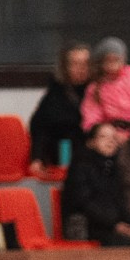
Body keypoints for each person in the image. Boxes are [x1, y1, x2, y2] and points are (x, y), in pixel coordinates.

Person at [64, 121, 130, 244]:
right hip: (86, 223)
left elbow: (123, 198)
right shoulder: (80, 165)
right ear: (91, 142)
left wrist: (129, 223)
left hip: (112, 223)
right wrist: (115, 224)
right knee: (123, 242)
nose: (110, 141)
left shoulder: (117, 165)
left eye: (114, 137)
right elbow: (84, 203)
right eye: (103, 137)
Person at [28, 41, 91, 174]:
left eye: (86, 64)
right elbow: (40, 127)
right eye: (76, 64)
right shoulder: (55, 94)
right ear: (66, 67)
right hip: (65, 149)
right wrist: (37, 157)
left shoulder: (99, 90)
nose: (81, 68)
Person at [80, 37, 130, 132]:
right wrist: (100, 130)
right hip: (112, 132)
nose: (112, 65)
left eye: (116, 60)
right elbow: (92, 115)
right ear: (101, 63)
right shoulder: (95, 88)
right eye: (108, 60)